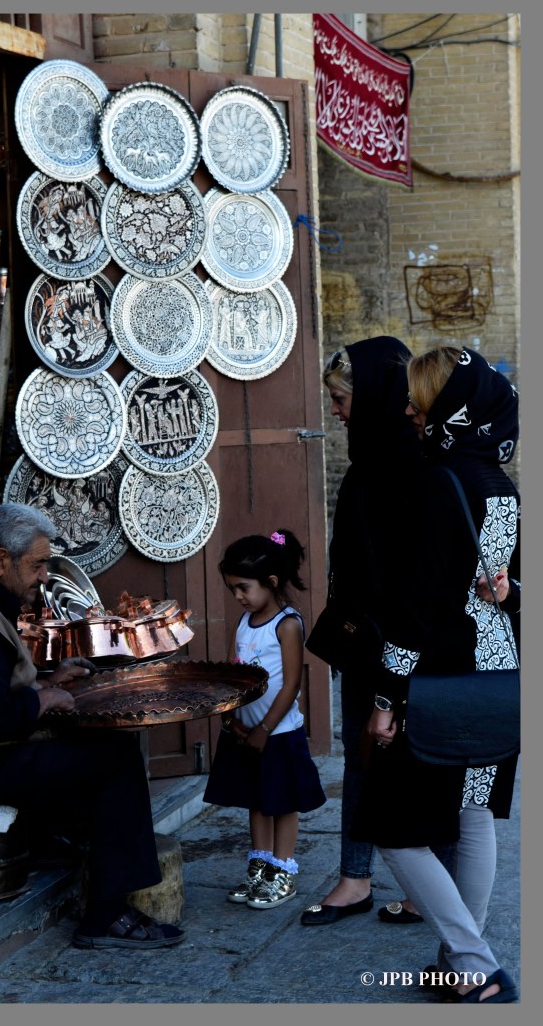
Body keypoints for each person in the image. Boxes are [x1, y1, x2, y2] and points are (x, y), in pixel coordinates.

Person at [0, 502, 185, 951]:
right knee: (116, 759)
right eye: (37, 565)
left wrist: (47, 682)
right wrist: (43, 698)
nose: (44, 577)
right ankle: (106, 914)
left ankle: (55, 843)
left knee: (91, 741)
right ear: (0, 561)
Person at [351, 344, 520, 1003]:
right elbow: (513, 585)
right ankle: (460, 959)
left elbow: (415, 608)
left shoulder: (434, 482)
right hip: (496, 671)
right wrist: (506, 592)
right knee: (474, 816)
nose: (412, 414)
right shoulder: (500, 483)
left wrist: (387, 696)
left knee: (392, 828)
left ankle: (474, 964)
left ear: (448, 408)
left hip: (443, 677)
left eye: (421, 403)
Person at [301, 336, 455, 927]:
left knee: (419, 757)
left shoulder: (417, 468)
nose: (336, 413)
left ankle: (426, 885)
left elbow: (416, 569)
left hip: (407, 639)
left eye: (341, 401)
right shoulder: (370, 463)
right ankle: (354, 877)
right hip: (365, 640)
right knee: (363, 756)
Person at [203, 529, 326, 909]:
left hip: (278, 733)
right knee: (256, 800)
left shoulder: (287, 623)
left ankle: (283, 872)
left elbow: (290, 685)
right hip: (246, 731)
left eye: (243, 588)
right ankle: (260, 868)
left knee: (282, 803)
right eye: (233, 589)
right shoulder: (244, 621)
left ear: (271, 583)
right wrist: (230, 721)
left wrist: (265, 729)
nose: (238, 596)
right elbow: (233, 674)